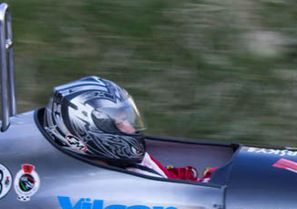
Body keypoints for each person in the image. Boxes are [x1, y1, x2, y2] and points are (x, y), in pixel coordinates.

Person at [43, 75, 200, 181]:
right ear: (87, 130)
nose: (131, 129)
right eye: (122, 121)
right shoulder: (129, 183)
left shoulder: (127, 164)